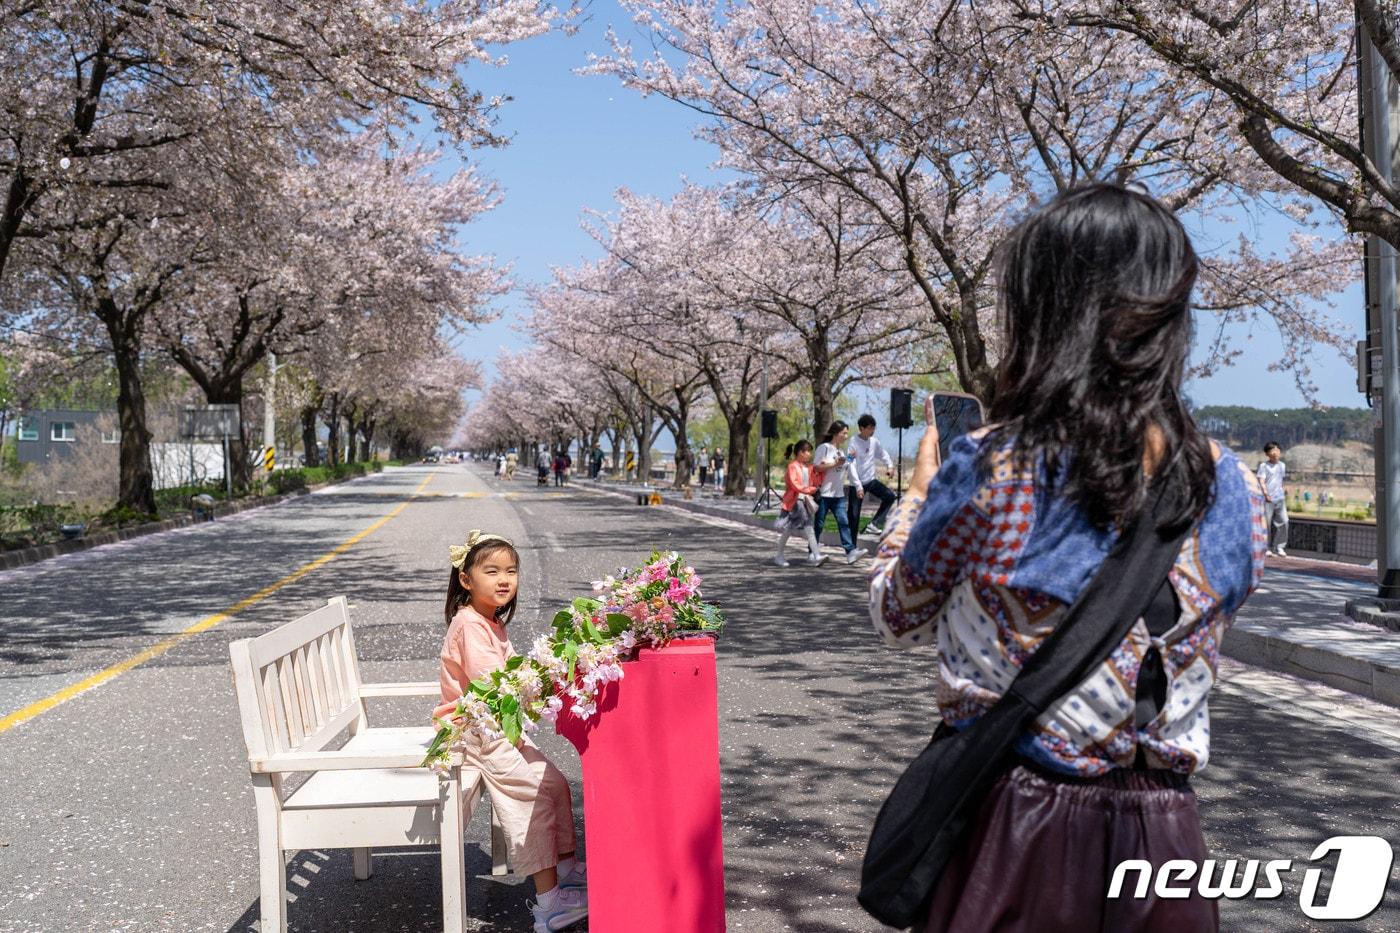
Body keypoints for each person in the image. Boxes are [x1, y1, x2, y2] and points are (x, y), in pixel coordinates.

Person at [867, 183, 1265, 933]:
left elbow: (898, 613)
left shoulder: (992, 464)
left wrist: (917, 496)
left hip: (1017, 824)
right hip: (1166, 838)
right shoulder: (1232, 482)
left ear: (1044, 312)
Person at [433, 531, 588, 931]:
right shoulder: (470, 626)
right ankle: (549, 905)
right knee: (533, 795)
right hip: (477, 731)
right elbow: (495, 679)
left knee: (554, 783)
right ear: (466, 580)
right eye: (492, 571)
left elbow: (514, 672)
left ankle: (567, 872)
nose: (504, 579)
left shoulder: (489, 620)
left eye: (511, 571)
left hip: (499, 723)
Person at [813, 421, 868, 564]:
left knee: (844, 522)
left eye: (846, 433)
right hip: (824, 494)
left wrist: (858, 486)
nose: (846, 436)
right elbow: (817, 467)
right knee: (819, 525)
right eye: (844, 433)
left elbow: (846, 468)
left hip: (838, 495)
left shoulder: (840, 452)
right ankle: (812, 553)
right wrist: (835, 464)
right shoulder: (824, 448)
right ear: (836, 433)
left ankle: (850, 553)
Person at [774, 440, 826, 567]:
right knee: (805, 528)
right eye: (807, 451)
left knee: (792, 529)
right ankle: (815, 555)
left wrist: (822, 471)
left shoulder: (809, 468)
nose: (809, 454)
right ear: (800, 452)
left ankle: (815, 555)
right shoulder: (793, 466)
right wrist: (811, 490)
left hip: (804, 501)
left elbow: (816, 482)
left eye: (810, 451)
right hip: (795, 502)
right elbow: (795, 485)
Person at [848, 414, 898, 536]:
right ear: (861, 428)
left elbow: (883, 454)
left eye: (873, 428)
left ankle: (874, 524)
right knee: (854, 516)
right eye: (870, 428)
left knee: (890, 496)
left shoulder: (874, 442)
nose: (872, 431)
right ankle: (851, 544)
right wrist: (858, 486)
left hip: (871, 480)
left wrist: (890, 466)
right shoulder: (853, 442)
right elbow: (850, 464)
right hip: (857, 484)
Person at [1258, 442, 1287, 556]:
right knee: (1267, 523)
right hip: (1267, 499)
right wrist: (1266, 494)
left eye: (1277, 450)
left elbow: (1281, 480)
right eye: (1272, 451)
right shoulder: (1264, 466)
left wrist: (1282, 492)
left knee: (1284, 521)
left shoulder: (1282, 465)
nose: (1275, 453)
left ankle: (1279, 546)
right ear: (1267, 454)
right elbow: (1261, 481)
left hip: (1280, 498)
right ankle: (1266, 547)